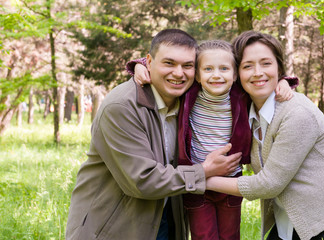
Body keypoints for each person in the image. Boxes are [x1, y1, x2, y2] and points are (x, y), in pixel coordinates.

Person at [65, 29, 243, 240]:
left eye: (187, 66)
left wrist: (282, 83)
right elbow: (142, 181)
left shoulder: (187, 101)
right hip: (115, 228)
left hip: (167, 218)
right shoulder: (122, 107)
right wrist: (203, 172)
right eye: (169, 63)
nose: (178, 73)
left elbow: (242, 78)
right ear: (149, 62)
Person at [127, 40, 298, 240]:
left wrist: (284, 82)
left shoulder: (241, 95)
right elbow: (164, 66)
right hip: (196, 182)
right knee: (203, 236)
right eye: (208, 69)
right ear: (197, 75)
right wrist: (139, 65)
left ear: (234, 75)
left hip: (231, 180)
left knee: (230, 235)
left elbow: (265, 79)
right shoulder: (188, 93)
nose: (216, 75)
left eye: (224, 69)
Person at [206, 31, 324, 240]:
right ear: (237, 73)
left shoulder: (297, 113)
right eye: (247, 66)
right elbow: (200, 75)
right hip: (292, 218)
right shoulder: (244, 111)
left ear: (279, 69)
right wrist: (147, 65)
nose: (257, 72)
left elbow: (269, 183)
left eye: (266, 63)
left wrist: (201, 179)